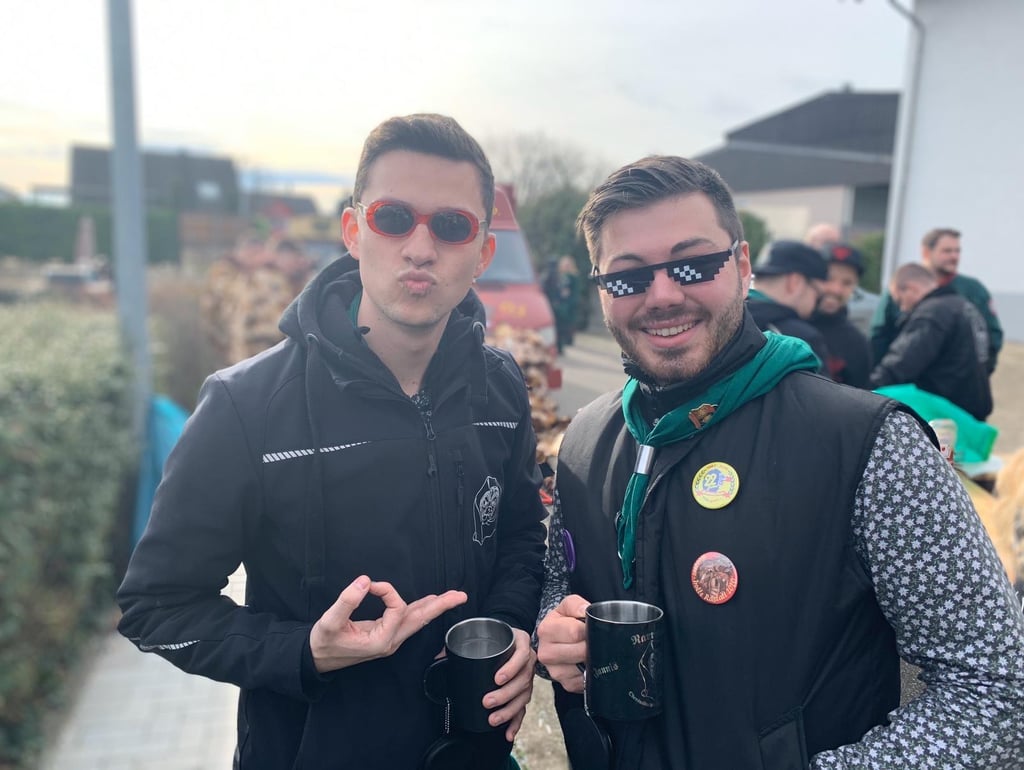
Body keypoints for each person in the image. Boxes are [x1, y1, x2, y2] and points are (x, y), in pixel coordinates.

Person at [534, 155, 1024, 769]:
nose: (663, 295)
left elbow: (996, 691)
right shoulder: (584, 440)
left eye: (693, 264)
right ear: (601, 289)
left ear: (742, 267)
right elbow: (558, 590)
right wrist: (553, 632)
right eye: (629, 276)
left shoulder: (868, 444)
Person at [118, 114, 547, 769]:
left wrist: (513, 627)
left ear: (483, 253)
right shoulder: (245, 405)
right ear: (353, 231)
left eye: (452, 225)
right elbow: (156, 607)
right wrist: (301, 652)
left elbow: (520, 536)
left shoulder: (501, 387)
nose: (420, 248)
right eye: (393, 218)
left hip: (474, 752)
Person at [869, 263, 993, 421]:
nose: (903, 309)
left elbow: (902, 362)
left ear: (911, 288)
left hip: (945, 415)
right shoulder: (967, 307)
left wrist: (869, 391)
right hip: (972, 411)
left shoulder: (931, 313)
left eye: (900, 301)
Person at [870, 227, 1002, 372]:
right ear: (926, 252)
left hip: (956, 379)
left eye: (957, 251)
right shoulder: (902, 287)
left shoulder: (973, 290)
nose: (954, 256)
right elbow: (879, 336)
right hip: (906, 378)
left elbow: (992, 336)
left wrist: (980, 372)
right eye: (947, 251)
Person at [746, 239, 831, 372]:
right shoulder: (800, 340)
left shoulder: (725, 319)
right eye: (818, 295)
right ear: (794, 282)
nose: (816, 304)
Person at [809, 242, 873, 388]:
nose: (836, 289)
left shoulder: (857, 343)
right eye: (828, 279)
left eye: (847, 283)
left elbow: (860, 397)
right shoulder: (783, 326)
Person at [544, 254, 581, 353]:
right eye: (565, 265)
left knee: (566, 326)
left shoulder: (572, 277)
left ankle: (563, 343)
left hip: (567, 305)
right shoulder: (558, 276)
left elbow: (573, 293)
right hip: (559, 304)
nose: (566, 267)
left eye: (568, 265)